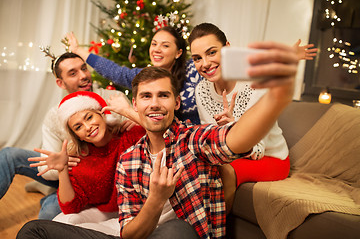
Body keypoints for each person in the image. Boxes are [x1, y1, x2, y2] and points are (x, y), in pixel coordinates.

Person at [18, 45, 299, 238]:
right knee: (34, 231)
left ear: (176, 102)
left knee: (176, 229)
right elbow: (128, 232)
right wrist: (155, 199)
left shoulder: (194, 140)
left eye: (163, 95)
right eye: (146, 97)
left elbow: (236, 138)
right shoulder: (129, 160)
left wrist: (276, 96)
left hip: (180, 234)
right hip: (137, 233)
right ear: (136, 105)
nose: (155, 104)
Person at [67, 28, 317, 125]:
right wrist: (80, 51)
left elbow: (237, 61)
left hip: (207, 133)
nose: (156, 49)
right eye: (154, 44)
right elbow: (116, 72)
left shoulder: (196, 67)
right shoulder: (146, 76)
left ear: (178, 53)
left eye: (165, 45)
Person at [0, 52, 131, 219]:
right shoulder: (54, 115)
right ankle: (48, 188)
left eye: (84, 68)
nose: (84, 76)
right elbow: (46, 169)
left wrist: (133, 116)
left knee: (49, 212)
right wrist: (66, 163)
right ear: (60, 83)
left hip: (100, 182)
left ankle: (47, 192)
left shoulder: (115, 99)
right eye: (73, 73)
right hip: (68, 176)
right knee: (8, 155)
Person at [187, 22, 291, 212]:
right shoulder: (201, 89)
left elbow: (258, 150)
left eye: (211, 52)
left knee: (223, 171)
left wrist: (234, 129)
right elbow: (208, 138)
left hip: (270, 158)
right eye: (197, 58)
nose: (205, 63)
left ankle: (215, 232)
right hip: (227, 155)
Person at [28, 91, 145, 236]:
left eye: (89, 117)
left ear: (102, 113)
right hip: (107, 213)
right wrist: (62, 170)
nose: (88, 127)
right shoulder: (79, 159)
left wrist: (134, 116)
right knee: (63, 220)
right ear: (76, 135)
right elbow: (70, 207)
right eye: (78, 127)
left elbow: (165, 133)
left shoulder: (130, 133)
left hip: (140, 209)